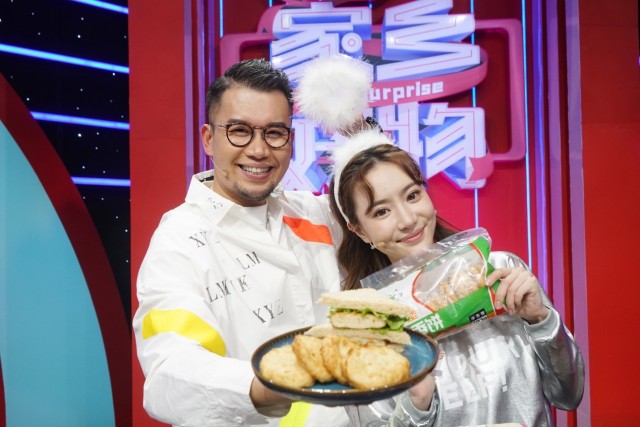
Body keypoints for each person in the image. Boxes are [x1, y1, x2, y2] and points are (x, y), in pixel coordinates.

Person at [132, 58, 350, 427]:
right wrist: (263, 386)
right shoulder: (179, 239)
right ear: (208, 138)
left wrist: (363, 136)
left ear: (290, 141)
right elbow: (168, 370)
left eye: (274, 133)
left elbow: (396, 221)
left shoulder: (314, 212)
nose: (259, 150)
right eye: (239, 131)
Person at [326, 129, 585, 426]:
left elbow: (569, 395)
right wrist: (416, 403)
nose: (408, 219)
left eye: (412, 195)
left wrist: (541, 320)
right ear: (359, 230)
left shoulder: (498, 273)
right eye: (382, 211)